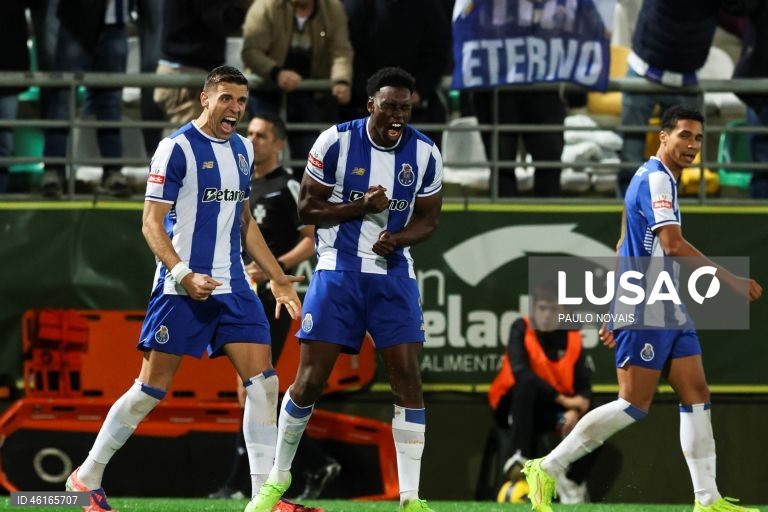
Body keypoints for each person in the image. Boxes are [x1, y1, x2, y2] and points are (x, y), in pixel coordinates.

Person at [63, 66, 304, 512]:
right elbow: (151, 223)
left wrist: (275, 276)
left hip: (233, 286)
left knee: (264, 385)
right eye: (227, 99)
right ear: (205, 99)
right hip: (181, 289)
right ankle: (86, 475)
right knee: (149, 390)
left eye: (241, 101)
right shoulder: (175, 149)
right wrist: (182, 274)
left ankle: (263, 499)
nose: (234, 109)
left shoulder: (244, 151)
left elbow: (245, 221)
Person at [522, 105, 764, 512]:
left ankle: (708, 499)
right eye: (683, 135)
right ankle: (547, 467)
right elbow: (672, 245)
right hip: (646, 301)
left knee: (697, 393)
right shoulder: (656, 181)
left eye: (698, 138)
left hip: (664, 300)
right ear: (663, 137)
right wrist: (730, 280)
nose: (691, 145)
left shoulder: (652, 177)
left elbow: (622, 245)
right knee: (634, 404)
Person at [245, 67, 444, 512]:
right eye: (389, 106)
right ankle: (278, 479)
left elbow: (429, 219)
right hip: (337, 272)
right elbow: (308, 207)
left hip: (393, 274)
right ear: (370, 104)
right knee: (310, 381)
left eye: (405, 108)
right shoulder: (335, 141)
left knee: (408, 377)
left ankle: (410, 497)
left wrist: (400, 238)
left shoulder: (426, 152)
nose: (397, 116)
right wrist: (361, 206)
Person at [209, 113, 340, 503]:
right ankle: (312, 462)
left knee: (253, 385)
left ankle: (242, 480)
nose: (253, 139)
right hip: (241, 288)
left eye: (261, 135)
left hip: (274, 295)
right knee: (250, 387)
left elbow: (312, 240)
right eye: (249, 133)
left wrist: (275, 270)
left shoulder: (287, 185)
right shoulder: (242, 182)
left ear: (279, 143)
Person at [488, 282, 593, 504]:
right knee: (526, 385)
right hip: (512, 407)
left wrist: (575, 409)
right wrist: (565, 400)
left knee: (600, 416)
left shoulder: (573, 337)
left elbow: (585, 389)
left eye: (553, 309)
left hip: (553, 413)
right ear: (533, 309)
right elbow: (522, 375)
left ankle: (570, 481)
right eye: (542, 308)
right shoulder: (520, 327)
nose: (547, 314)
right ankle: (519, 457)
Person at [240, 0, 353, 177]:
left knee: (309, 159)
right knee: (259, 157)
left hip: (308, 96)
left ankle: (304, 200)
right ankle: (257, 201)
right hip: (266, 94)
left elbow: (341, 52)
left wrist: (341, 80)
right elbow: (251, 51)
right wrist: (276, 72)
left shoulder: (332, 9)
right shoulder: (265, 6)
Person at [40, 0, 131, 198]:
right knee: (63, 96)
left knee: (110, 99)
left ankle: (113, 171)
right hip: (74, 22)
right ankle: (53, 171)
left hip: (115, 22)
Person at [153, 0, 250, 128]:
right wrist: (243, 5)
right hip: (185, 76)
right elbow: (221, 20)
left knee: (197, 141)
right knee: (194, 143)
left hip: (185, 72)